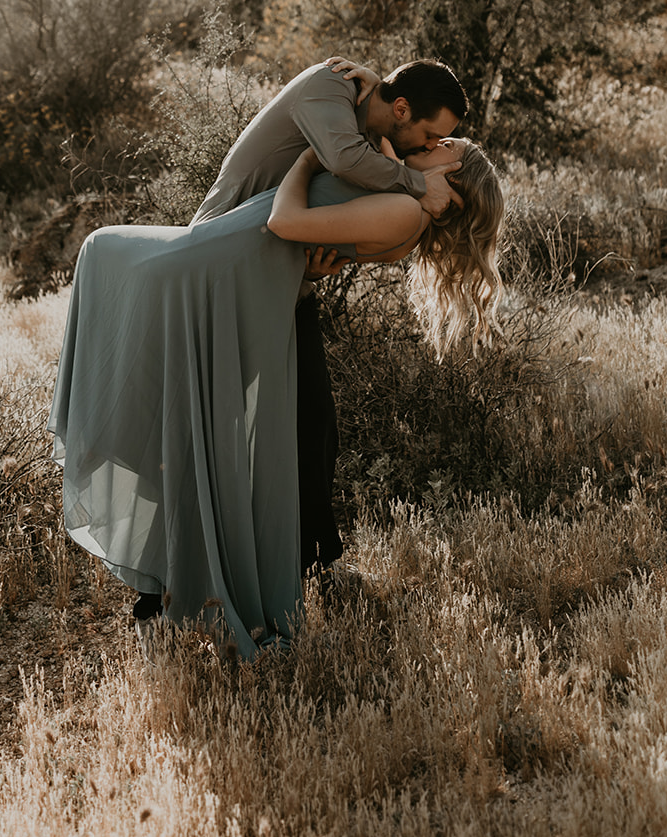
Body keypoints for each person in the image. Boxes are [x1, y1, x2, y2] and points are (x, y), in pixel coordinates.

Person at [47, 132, 504, 662]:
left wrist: (314, 153)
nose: (434, 139)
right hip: (241, 281)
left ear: (457, 176)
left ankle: (184, 588)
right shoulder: (397, 183)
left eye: (450, 142)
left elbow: (285, 222)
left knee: (190, 426)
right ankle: (168, 585)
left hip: (233, 286)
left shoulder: (405, 210)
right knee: (179, 426)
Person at [191, 57, 469, 574]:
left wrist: (310, 271)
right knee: (226, 425)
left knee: (313, 422)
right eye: (430, 137)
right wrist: (417, 184)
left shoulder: (373, 129)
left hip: (278, 276)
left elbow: (356, 179)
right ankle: (203, 564)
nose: (429, 149)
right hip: (222, 258)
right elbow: (341, 159)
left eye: (439, 145)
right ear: (403, 109)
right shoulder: (330, 89)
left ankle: (311, 558)